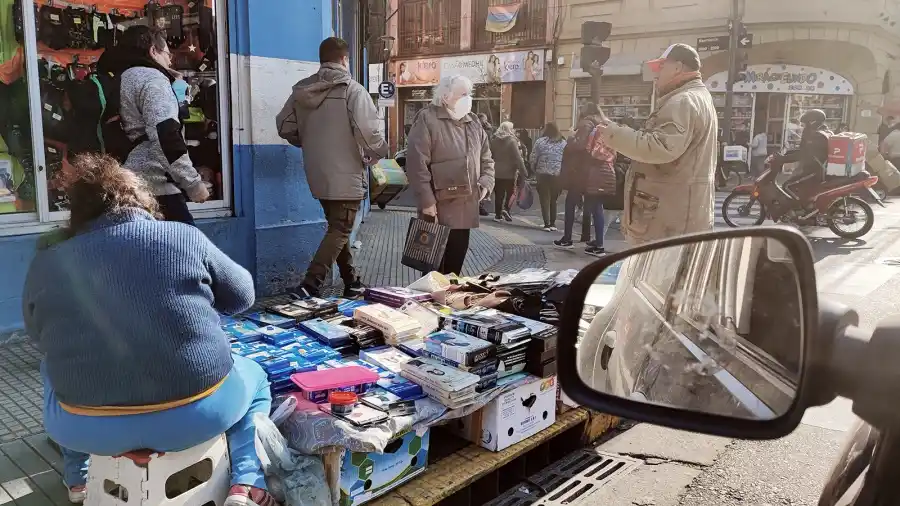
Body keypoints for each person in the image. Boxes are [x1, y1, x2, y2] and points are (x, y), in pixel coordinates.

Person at [25, 154, 277, 506]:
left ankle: (78, 479)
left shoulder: (48, 260)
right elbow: (242, 297)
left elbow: (38, 336)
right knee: (256, 377)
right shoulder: (183, 237)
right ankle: (247, 480)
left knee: (52, 367)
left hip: (86, 429)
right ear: (141, 199)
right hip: (196, 417)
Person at [276, 37, 387, 298]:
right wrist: (378, 153)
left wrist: (306, 142)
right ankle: (310, 284)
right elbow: (368, 132)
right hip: (346, 174)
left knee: (337, 228)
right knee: (340, 228)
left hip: (318, 173)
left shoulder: (302, 91)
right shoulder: (352, 90)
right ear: (345, 59)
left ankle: (352, 282)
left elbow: (284, 126)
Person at [590, 43, 717, 246]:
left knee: (657, 276)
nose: (656, 74)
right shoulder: (696, 98)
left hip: (668, 222)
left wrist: (613, 134)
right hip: (679, 216)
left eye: (661, 67)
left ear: (677, 67)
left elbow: (661, 146)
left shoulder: (682, 101)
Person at [98, 26, 208, 225]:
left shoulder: (122, 78)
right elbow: (165, 134)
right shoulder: (152, 79)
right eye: (167, 54)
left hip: (125, 184)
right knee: (187, 251)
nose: (170, 60)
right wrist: (193, 184)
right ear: (152, 51)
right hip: (157, 189)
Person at [406, 75, 495, 275]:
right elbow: (416, 164)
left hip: (464, 210)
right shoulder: (427, 118)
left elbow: (487, 159)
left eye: (469, 94)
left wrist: (485, 184)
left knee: (454, 274)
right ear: (445, 96)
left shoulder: (473, 123)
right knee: (433, 276)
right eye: (462, 94)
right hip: (437, 211)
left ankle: (450, 305)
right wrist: (427, 202)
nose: (468, 98)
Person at [555, 104, 604, 249]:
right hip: (595, 170)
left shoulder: (585, 124)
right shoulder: (600, 126)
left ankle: (567, 238)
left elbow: (578, 145)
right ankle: (599, 242)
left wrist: (570, 137)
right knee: (596, 207)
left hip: (580, 172)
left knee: (570, 203)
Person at [779, 109, 832, 207]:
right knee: (798, 187)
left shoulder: (816, 136)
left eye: (805, 124)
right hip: (817, 169)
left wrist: (783, 159)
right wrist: (785, 155)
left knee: (787, 186)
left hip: (815, 171)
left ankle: (802, 210)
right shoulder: (823, 132)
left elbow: (804, 154)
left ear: (812, 122)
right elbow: (804, 151)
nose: (803, 128)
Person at [530, 122, 567, 231]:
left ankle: (546, 224)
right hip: (557, 175)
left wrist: (534, 169)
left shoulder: (540, 142)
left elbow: (533, 157)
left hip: (542, 174)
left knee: (544, 199)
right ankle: (553, 223)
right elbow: (565, 159)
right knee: (553, 199)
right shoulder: (563, 143)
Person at [490, 121, 527, 222]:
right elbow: (518, 157)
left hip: (496, 171)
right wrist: (524, 171)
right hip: (510, 172)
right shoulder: (512, 141)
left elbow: (490, 154)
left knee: (498, 194)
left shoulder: (494, 140)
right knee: (511, 193)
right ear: (510, 129)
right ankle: (506, 209)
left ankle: (497, 215)